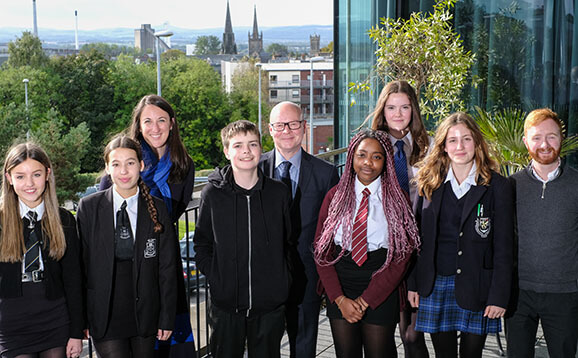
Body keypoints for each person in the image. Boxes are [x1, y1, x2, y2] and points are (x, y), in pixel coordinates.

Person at [408, 112, 514, 358]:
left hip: (478, 285)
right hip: (435, 284)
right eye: (452, 140)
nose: (460, 146)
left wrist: (499, 296)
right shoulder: (428, 183)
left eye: (466, 139)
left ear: (476, 142)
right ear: (443, 146)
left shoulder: (497, 186)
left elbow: (504, 247)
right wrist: (413, 283)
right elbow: (416, 239)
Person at [99, 94, 196, 354]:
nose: (155, 128)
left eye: (161, 120)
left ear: (172, 123)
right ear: (138, 126)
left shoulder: (184, 166)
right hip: (124, 274)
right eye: (148, 121)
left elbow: (172, 216)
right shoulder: (123, 165)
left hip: (163, 265)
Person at [314, 129, 420, 358]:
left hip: (381, 281)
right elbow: (321, 252)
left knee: (379, 353)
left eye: (376, 156)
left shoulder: (397, 198)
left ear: (386, 161)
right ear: (351, 157)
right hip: (341, 281)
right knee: (346, 353)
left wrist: (365, 301)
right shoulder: (335, 197)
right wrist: (340, 299)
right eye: (362, 155)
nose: (368, 163)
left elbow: (403, 255)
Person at [194, 120, 293, 358]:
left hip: (269, 306)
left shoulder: (278, 193)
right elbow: (202, 243)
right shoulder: (213, 194)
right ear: (227, 151)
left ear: (261, 149)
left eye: (252, 144)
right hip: (226, 305)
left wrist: (283, 282)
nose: (246, 151)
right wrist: (217, 277)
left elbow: (289, 242)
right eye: (238, 145)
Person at [77, 135, 177, 357]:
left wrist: (167, 317)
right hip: (105, 313)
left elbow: (168, 269)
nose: (123, 171)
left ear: (141, 165)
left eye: (130, 163)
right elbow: (80, 267)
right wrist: (80, 319)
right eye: (116, 164)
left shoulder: (158, 209)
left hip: (146, 312)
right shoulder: (89, 208)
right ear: (107, 168)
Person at [259, 101, 339, 358]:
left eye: (293, 124)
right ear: (270, 129)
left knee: (304, 345)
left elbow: (333, 229)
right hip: (265, 276)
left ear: (304, 127)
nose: (287, 130)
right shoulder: (255, 170)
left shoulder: (326, 174)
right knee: (265, 345)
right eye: (280, 125)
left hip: (308, 275)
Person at [506, 108, 578, 358]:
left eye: (552, 136)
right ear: (526, 141)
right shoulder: (510, 186)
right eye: (536, 137)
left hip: (565, 293)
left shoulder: (576, 184)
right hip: (518, 293)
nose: (544, 144)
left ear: (561, 139)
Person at [0, 142, 83, 358]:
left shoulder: (64, 220)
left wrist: (76, 332)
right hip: (11, 327)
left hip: (55, 322)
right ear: (9, 179)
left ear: (47, 174)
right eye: (20, 176)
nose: (29, 183)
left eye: (36, 174)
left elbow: (73, 280)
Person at [368, 80, 430, 357]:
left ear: (413, 110)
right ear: (382, 111)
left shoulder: (427, 148)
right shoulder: (370, 148)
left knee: (412, 335)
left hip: (419, 249)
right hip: (384, 251)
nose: (398, 113)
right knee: (381, 336)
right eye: (391, 107)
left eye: (405, 107)